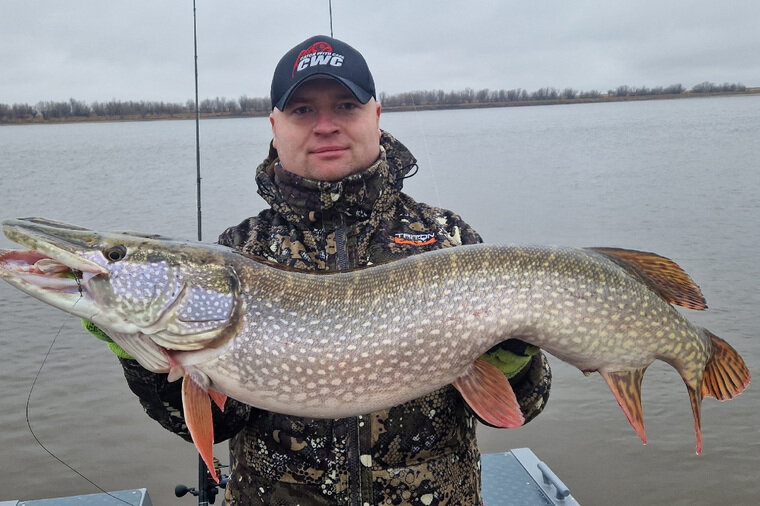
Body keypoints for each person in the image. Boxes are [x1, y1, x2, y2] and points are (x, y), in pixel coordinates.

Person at [95, 35, 552, 505]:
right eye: (303, 111)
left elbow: (522, 408)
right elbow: (214, 422)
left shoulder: (447, 239)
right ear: (275, 125)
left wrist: (515, 360)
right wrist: (142, 351)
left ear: (376, 115)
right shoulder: (238, 251)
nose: (326, 126)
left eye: (346, 106)